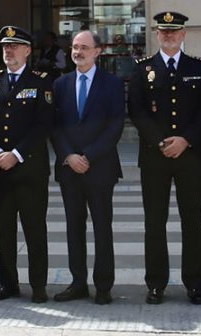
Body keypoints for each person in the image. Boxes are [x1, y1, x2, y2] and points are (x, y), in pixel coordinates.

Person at [129, 10, 201, 305]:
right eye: (163, 31)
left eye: (174, 31)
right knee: (155, 221)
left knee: (192, 220)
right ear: (156, 34)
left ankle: (194, 283)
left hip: (190, 155)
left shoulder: (198, 68)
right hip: (155, 156)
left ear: (183, 35)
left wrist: (186, 139)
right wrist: (160, 141)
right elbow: (136, 110)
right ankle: (156, 283)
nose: (168, 35)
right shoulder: (143, 68)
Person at [0, 26, 53, 303]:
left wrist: (16, 154)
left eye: (14, 46)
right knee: (4, 231)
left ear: (27, 51)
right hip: (0, 169)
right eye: (5, 46)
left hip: (30, 168)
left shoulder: (41, 80)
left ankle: (38, 286)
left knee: (34, 229)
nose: (8, 51)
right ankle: (8, 284)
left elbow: (44, 124)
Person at [50, 30, 125, 305]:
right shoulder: (61, 84)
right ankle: (78, 282)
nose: (78, 52)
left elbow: (115, 125)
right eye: (74, 47)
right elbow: (54, 125)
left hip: (100, 167)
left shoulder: (113, 83)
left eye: (84, 47)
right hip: (70, 168)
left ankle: (103, 286)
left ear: (97, 51)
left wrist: (88, 156)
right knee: (74, 227)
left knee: (102, 227)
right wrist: (69, 156)